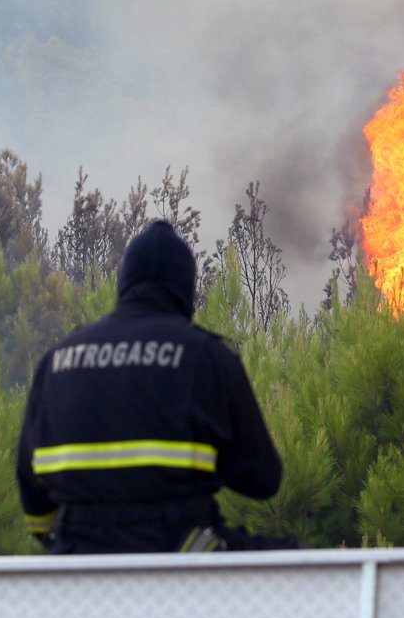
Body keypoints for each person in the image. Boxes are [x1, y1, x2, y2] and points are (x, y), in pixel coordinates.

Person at [17, 220, 287, 553]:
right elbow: (263, 480)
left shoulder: (56, 361)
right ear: (186, 289)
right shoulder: (206, 357)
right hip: (182, 558)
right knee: (300, 568)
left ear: (124, 283)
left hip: (78, 565)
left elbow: (33, 497)